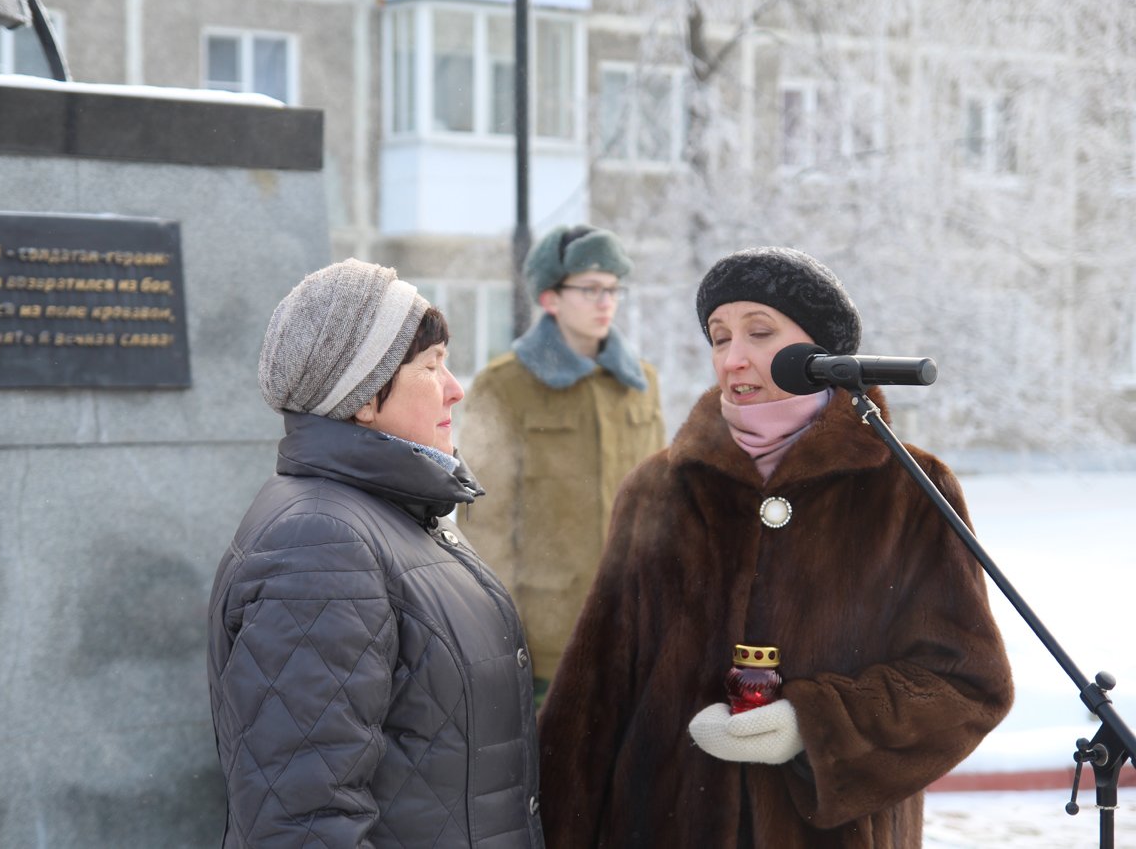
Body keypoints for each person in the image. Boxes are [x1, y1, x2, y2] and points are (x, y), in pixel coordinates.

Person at [536, 246, 1014, 847]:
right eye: (718, 337)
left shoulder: (905, 488)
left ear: (821, 352)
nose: (733, 358)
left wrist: (813, 727)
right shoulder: (661, 487)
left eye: (760, 333)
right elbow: (592, 697)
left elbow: (968, 684)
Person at [207, 258, 545, 848]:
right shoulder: (321, 544)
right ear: (364, 398)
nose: (455, 388)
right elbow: (304, 822)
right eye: (431, 366)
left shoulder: (391, 515)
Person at [458, 224, 665, 696]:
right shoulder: (505, 386)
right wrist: (497, 633)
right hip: (546, 639)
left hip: (636, 629)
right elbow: (484, 523)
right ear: (550, 298)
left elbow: (663, 504)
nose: (605, 302)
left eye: (613, 289)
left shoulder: (640, 385)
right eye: (590, 288)